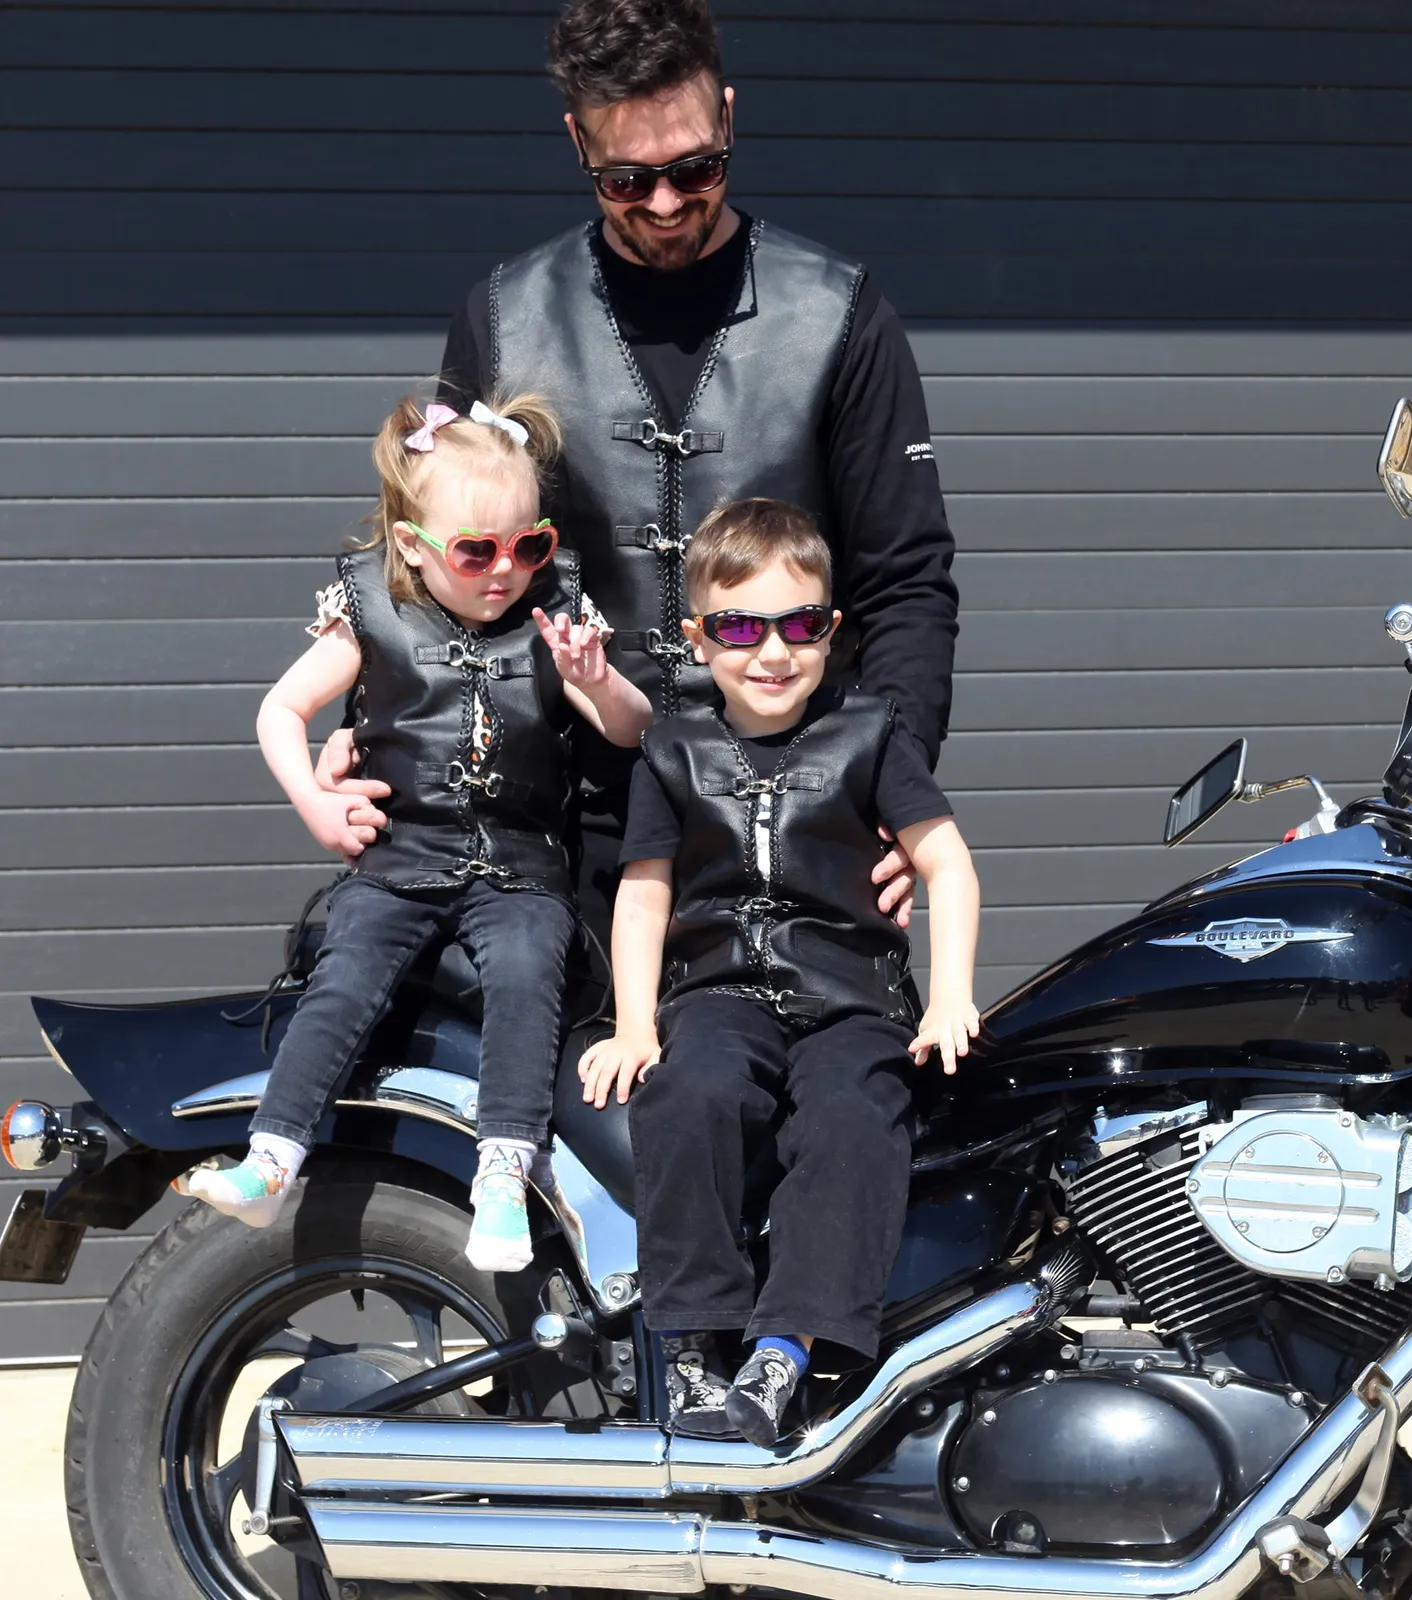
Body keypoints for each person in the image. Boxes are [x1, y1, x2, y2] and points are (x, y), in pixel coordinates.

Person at [321, 0, 958, 951]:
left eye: (695, 168)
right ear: (577, 141)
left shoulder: (842, 315)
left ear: (729, 118)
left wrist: (893, 787)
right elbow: (436, 566)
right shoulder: (502, 318)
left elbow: (904, 581)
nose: (664, 203)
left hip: (799, 813)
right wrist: (367, 734)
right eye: (625, 179)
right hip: (563, 829)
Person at [185, 395, 651, 1272]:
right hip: (399, 857)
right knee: (346, 973)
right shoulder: (371, 608)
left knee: (527, 972)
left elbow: (629, 730)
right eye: (475, 551)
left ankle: (504, 1175)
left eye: (528, 546)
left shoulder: (555, 614)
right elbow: (281, 709)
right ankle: (272, 1157)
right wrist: (314, 803)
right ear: (410, 545)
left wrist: (598, 679)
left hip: (520, 866)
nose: (504, 570)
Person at [578, 499, 980, 1445]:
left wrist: (951, 994)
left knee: (852, 1114)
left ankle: (782, 1350)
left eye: (798, 627)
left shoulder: (871, 733)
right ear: (697, 639)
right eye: (738, 629)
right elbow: (643, 896)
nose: (771, 652)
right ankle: (690, 1345)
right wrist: (634, 1024)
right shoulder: (671, 751)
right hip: (718, 993)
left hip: (851, 997)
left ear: (829, 632)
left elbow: (947, 863)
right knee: (690, 1094)